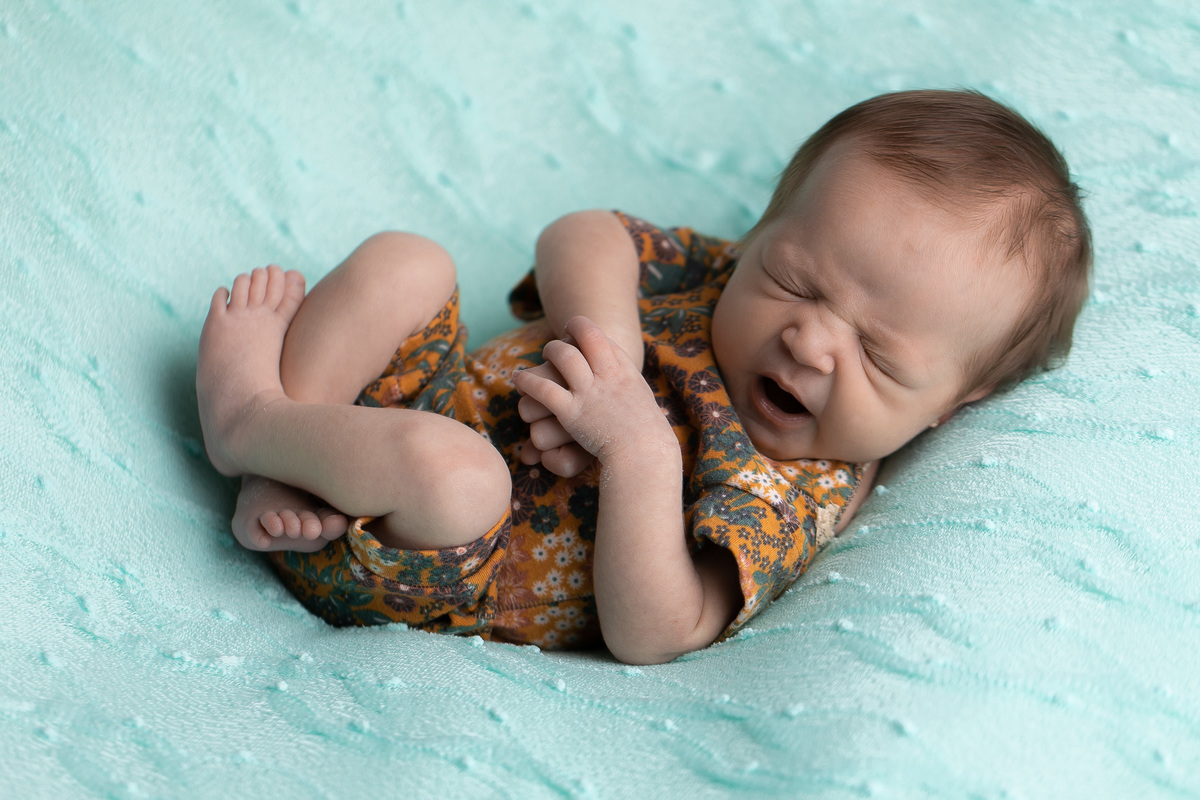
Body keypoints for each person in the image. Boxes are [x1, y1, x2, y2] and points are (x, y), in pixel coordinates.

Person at [195, 90, 1091, 664]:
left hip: (441, 568)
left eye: (880, 355)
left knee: (458, 474)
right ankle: (292, 452)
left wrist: (637, 450)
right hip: (407, 418)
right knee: (409, 262)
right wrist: (607, 345)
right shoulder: (720, 275)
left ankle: (246, 417)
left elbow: (658, 631)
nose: (812, 342)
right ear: (762, 234)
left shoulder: (793, 491)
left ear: (955, 405)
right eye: (794, 279)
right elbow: (580, 233)